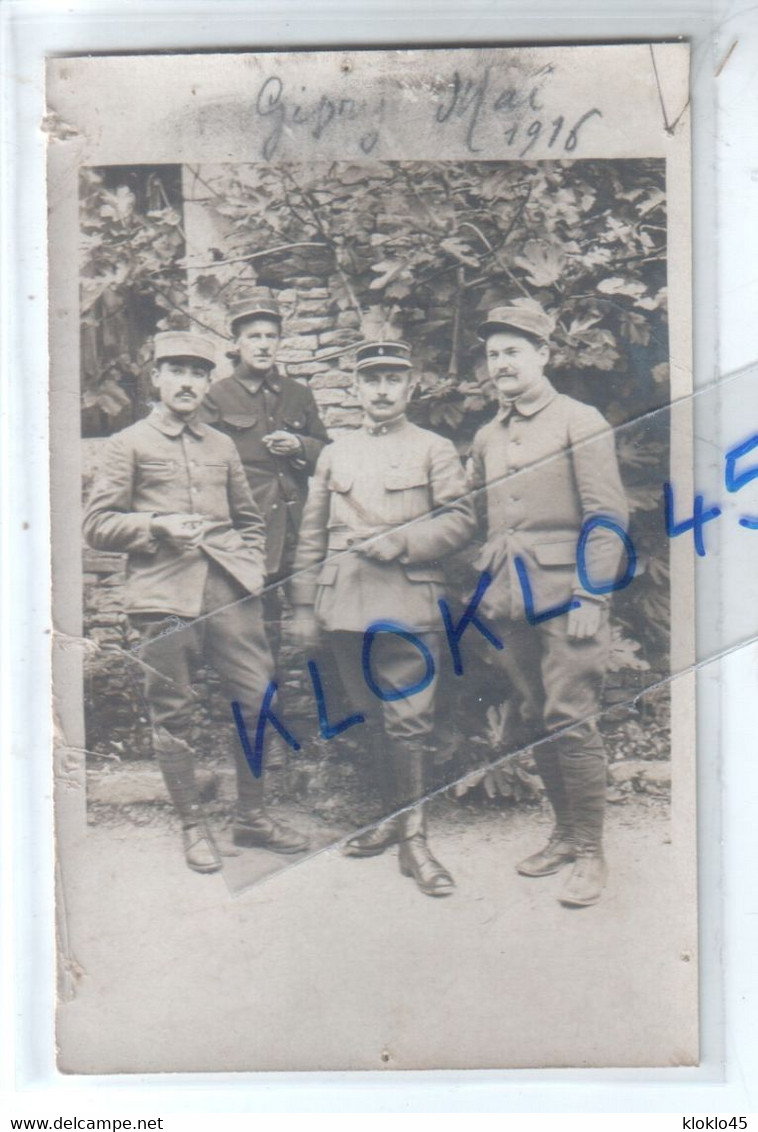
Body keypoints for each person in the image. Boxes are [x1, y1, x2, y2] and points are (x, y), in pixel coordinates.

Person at [83, 330, 309, 874]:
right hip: (162, 594)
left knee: (257, 700)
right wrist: (155, 526)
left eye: (197, 372)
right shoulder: (129, 443)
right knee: (174, 712)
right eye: (175, 370)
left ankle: (251, 817)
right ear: (156, 379)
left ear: (209, 383)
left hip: (230, 591)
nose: (186, 381)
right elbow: (97, 524)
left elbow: (249, 520)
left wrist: (250, 569)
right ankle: (192, 825)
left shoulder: (221, 445)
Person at [290, 341, 476, 898]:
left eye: (393, 379)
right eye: (371, 380)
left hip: (408, 601)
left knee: (410, 722)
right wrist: (303, 606)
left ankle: (414, 841)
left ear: (411, 387)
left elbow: (462, 519)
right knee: (372, 715)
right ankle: (395, 819)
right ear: (356, 388)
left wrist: (402, 542)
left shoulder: (434, 449)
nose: (382, 390)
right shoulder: (334, 454)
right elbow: (311, 534)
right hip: (346, 605)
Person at [468, 304, 629, 907]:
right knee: (537, 715)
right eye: (493, 354)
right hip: (510, 598)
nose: (502, 363)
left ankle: (591, 852)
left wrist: (592, 593)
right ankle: (564, 835)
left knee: (571, 715)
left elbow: (607, 516)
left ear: (543, 355)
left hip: (569, 597)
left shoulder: (578, 421)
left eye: (514, 350)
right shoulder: (487, 434)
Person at [201, 288, 329, 660]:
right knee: (259, 641)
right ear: (236, 342)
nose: (263, 345)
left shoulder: (298, 395)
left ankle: (331, 716)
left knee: (321, 631)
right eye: (254, 337)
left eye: (270, 336)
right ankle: (268, 717)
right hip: (252, 535)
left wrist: (300, 446)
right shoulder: (216, 397)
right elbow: (210, 469)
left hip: (300, 533)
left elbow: (328, 455)